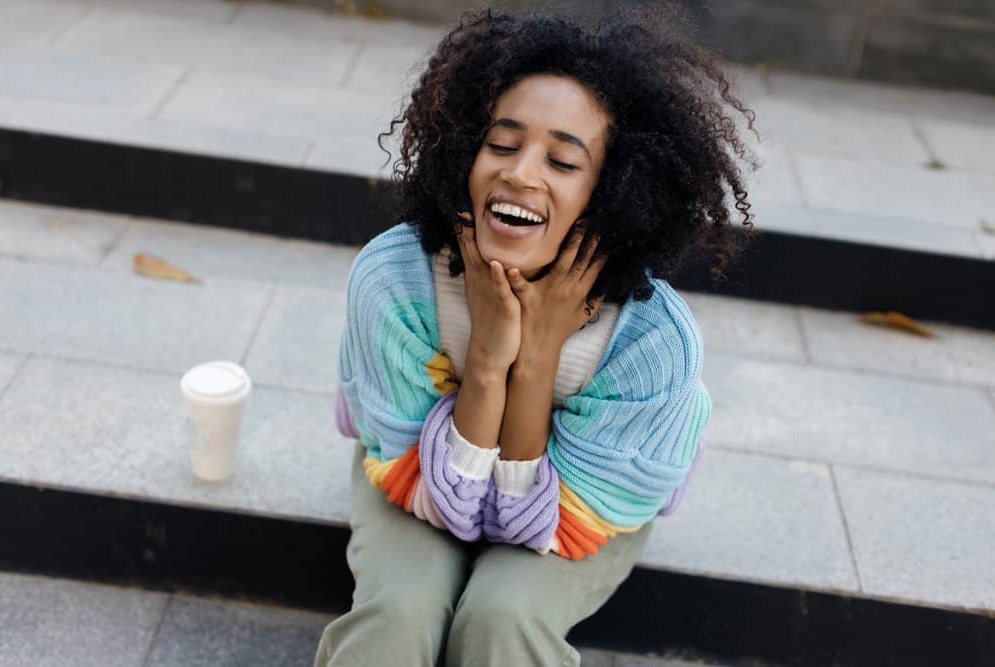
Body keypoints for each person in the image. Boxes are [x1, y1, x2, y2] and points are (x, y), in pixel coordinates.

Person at [315, 4, 755, 666]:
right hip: (412, 477)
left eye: (563, 160)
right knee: (397, 616)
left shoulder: (650, 345)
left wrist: (536, 360)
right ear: (464, 149)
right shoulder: (396, 281)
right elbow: (442, 503)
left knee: (503, 618)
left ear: (610, 191)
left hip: (577, 508)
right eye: (502, 143)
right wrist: (489, 359)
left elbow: (540, 527)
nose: (522, 174)